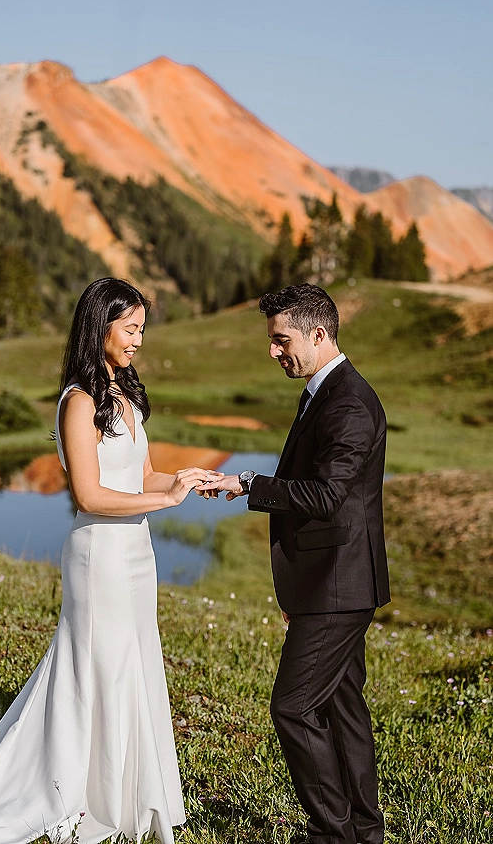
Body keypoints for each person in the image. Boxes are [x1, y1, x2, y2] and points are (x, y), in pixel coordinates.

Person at [0, 278, 219, 844]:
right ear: (100, 326)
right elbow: (89, 495)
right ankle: (69, 792)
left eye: (142, 331)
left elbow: (139, 476)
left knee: (132, 664)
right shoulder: (78, 401)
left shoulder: (126, 395)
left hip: (136, 554)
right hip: (98, 555)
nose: (138, 342)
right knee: (93, 669)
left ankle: (124, 795)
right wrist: (167, 500)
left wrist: (183, 480)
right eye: (130, 330)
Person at [199, 283, 390, 844]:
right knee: (342, 706)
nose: (273, 351)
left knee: (293, 707)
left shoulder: (349, 402)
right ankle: (362, 829)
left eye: (282, 340)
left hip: (337, 584)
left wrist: (247, 483)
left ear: (319, 334)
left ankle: (330, 833)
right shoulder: (324, 391)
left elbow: (327, 495)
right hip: (333, 581)